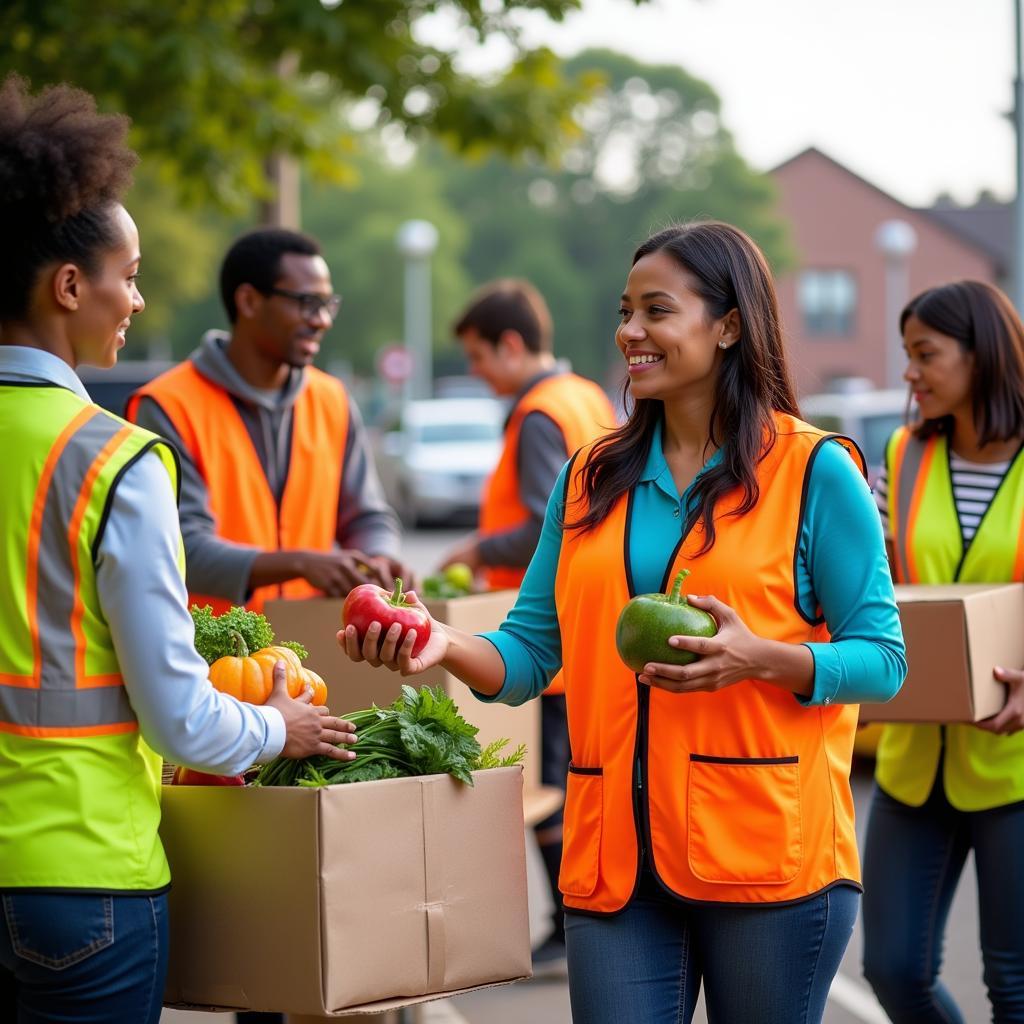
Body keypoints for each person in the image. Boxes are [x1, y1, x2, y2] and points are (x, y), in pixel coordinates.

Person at [341, 221, 907, 1023]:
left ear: (730, 325)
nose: (629, 332)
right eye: (625, 310)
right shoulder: (589, 476)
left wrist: (763, 658)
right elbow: (532, 653)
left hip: (769, 858)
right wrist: (442, 643)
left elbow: (884, 659)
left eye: (657, 310)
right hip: (614, 861)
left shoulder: (814, 471)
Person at [0, 74, 357, 1024]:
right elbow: (183, 723)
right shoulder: (111, 456)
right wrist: (280, 728)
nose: (136, 297)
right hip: (79, 881)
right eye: (130, 272)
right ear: (70, 285)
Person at [440, 279, 616, 970]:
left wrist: (476, 549)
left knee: (545, 787)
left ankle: (571, 924)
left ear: (511, 346)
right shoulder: (587, 398)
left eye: (479, 357)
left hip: (547, 640)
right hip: (587, 629)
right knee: (574, 780)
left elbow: (555, 519)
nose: (477, 372)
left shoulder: (540, 413)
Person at [861, 280, 1024, 1023]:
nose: (910, 373)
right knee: (894, 969)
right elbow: (888, 583)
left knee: (1014, 985)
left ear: (981, 355)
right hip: (913, 755)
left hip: (1014, 765)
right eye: (907, 355)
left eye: (925, 354)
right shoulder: (903, 453)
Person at [127, 227, 409, 614]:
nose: (323, 320)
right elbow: (180, 545)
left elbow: (367, 515)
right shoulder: (167, 405)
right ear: (248, 301)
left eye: (329, 304)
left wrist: (381, 556)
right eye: (308, 302)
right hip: (206, 657)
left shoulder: (332, 399)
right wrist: (299, 564)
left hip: (308, 652)